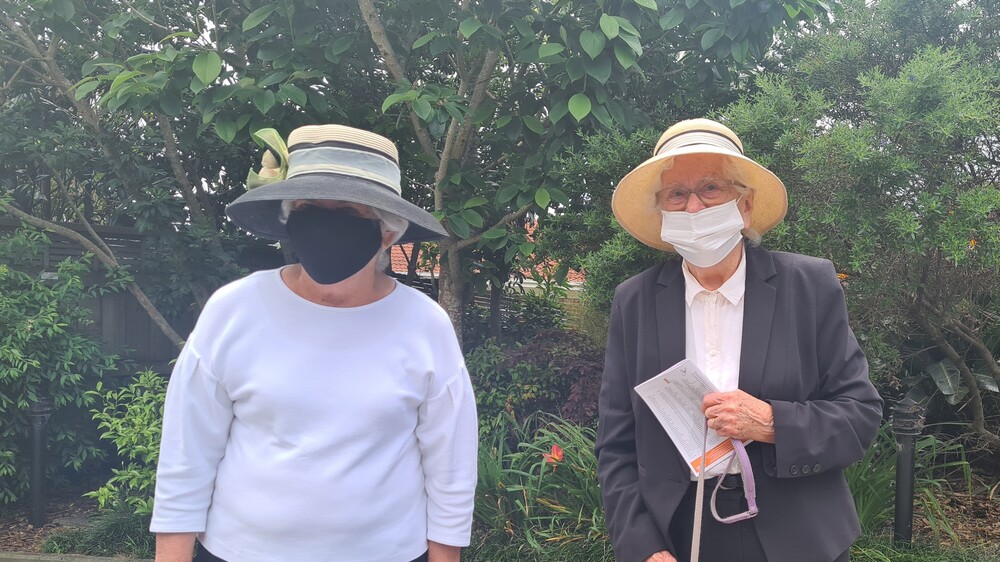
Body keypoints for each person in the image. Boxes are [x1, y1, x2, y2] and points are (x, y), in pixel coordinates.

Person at [149, 124, 478, 562]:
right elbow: (186, 454)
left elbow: (450, 468)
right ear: (290, 215)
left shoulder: (424, 324)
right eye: (309, 207)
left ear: (388, 230)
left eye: (347, 210)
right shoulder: (234, 309)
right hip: (238, 551)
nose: (325, 223)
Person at [595, 118, 883, 562]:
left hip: (798, 536)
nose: (693, 208)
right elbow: (616, 441)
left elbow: (860, 415)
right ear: (662, 213)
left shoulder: (809, 285)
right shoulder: (634, 301)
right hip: (680, 535)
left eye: (711, 188)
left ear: (744, 206)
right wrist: (643, 546)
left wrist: (771, 422)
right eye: (677, 194)